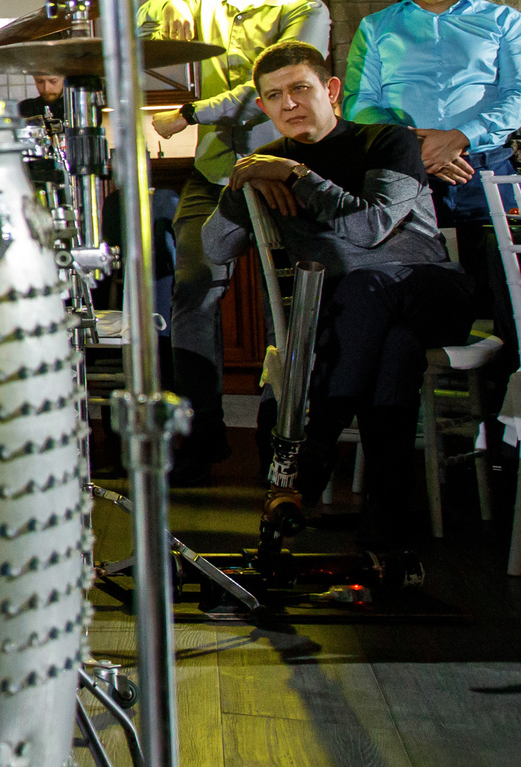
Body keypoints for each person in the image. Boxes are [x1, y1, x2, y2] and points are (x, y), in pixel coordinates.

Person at [202, 41, 472, 589]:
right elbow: (214, 248)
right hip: (364, 319)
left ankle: (307, 456)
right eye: (275, 96)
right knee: (392, 351)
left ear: (330, 90)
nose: (289, 104)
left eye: (300, 88)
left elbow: (372, 228)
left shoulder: (387, 140)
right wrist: (242, 183)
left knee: (367, 284)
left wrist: (298, 176)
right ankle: (384, 533)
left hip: (433, 290)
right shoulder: (266, 163)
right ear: (263, 105)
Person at [146, 0, 331, 480]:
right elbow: (145, 24)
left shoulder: (305, 8)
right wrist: (164, 2)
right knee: (192, 292)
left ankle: (288, 440)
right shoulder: (209, 3)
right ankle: (202, 437)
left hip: (282, 167)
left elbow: (269, 88)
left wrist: (189, 113)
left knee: (292, 304)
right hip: (214, 170)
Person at [343, 0, 521, 355]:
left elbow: (519, 92)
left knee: (512, 296)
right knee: (409, 291)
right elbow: (358, 101)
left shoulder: (504, 21)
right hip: (407, 176)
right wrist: (415, 146)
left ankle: (506, 414)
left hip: (485, 170)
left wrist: (460, 136)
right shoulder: (376, 27)